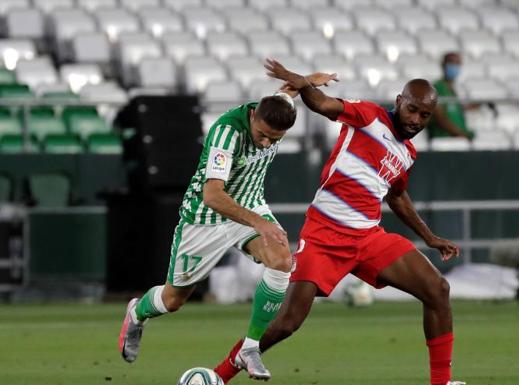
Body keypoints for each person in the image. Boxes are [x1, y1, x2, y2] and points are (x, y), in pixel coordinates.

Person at [216, 59, 464, 385]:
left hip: (369, 238)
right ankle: (221, 373)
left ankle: (441, 383)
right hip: (324, 235)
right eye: (412, 110)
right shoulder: (369, 116)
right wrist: (299, 81)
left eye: (425, 115)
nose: (416, 120)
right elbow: (321, 103)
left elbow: (397, 196)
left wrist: (429, 237)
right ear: (399, 101)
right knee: (287, 322)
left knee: (437, 289)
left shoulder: (408, 153)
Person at [118, 71, 338, 381]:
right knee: (172, 300)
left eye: (273, 139)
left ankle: (250, 347)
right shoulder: (226, 133)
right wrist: (260, 223)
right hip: (206, 219)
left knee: (282, 261)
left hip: (249, 205)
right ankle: (137, 312)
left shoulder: (275, 109)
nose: (264, 142)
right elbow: (213, 196)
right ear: (253, 116)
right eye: (261, 134)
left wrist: (310, 80)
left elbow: (288, 90)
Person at [428, 52, 475, 140]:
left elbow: (457, 110)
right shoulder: (436, 88)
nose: (454, 66)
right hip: (444, 140)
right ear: (443, 65)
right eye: (451, 62)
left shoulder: (453, 90)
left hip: (458, 140)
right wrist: (462, 134)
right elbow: (440, 117)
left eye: (457, 63)